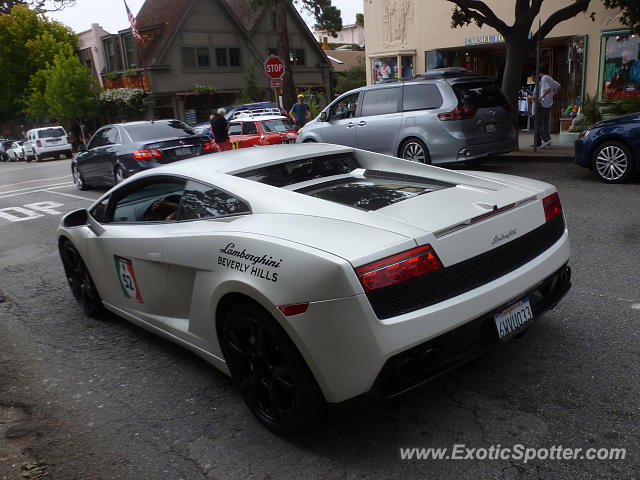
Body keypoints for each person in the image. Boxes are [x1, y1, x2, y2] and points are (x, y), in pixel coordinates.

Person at [530, 67, 561, 148]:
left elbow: (547, 90)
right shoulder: (548, 78)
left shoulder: (543, 79)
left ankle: (546, 139)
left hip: (542, 104)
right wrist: (552, 96)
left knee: (539, 122)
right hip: (547, 103)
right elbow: (558, 86)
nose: (532, 79)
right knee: (543, 123)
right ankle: (542, 141)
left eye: (533, 77)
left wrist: (539, 99)